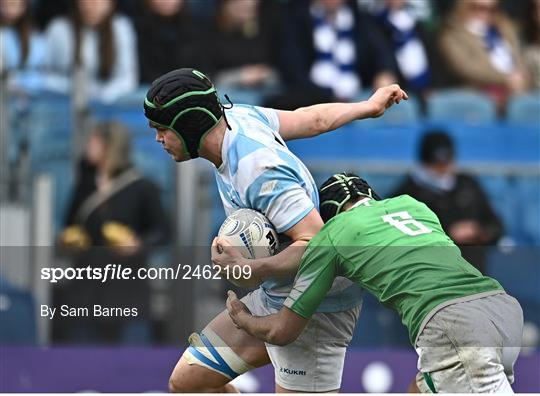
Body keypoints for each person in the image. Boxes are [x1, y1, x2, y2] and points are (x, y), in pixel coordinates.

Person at [143, 68, 407, 392]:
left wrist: (250, 268)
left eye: (162, 129)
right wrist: (367, 106)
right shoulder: (238, 116)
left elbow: (317, 244)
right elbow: (310, 119)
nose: (157, 139)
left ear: (188, 123)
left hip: (316, 307)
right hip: (276, 294)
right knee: (190, 383)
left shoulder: (260, 172)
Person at [223, 172, 523, 393]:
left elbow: (281, 330)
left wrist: (242, 318)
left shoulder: (331, 234)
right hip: (502, 308)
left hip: (452, 323)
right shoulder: (415, 206)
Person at [55, 121, 170, 343]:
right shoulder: (84, 186)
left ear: (109, 146)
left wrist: (138, 243)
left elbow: (162, 231)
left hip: (127, 291)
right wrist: (69, 240)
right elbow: (70, 225)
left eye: (94, 141)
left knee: (132, 366)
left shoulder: (141, 187)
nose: (88, 146)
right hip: (86, 290)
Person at [392, 130, 503, 273]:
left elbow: (496, 227)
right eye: (436, 164)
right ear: (424, 162)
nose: (443, 169)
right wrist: (449, 235)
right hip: (431, 277)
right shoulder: (406, 194)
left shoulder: (468, 183)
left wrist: (479, 231)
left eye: (447, 162)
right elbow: (400, 242)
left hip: (474, 275)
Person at [43, 0, 138, 103]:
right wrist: (77, 89)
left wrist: (103, 94)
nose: (89, 6)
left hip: (108, 101)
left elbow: (128, 78)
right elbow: (44, 76)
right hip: (65, 99)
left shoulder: (121, 27)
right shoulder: (59, 28)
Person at [438, 0, 528, 106]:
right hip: (477, 96)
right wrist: (507, 78)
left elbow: (520, 59)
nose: (486, 13)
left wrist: (522, 78)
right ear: (465, 6)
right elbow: (466, 68)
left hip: (516, 94)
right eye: (479, 7)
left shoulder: (505, 28)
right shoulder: (453, 33)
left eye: (492, 8)